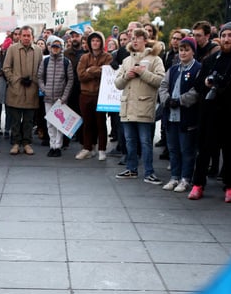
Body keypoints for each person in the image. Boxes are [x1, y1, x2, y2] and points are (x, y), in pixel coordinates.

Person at [189, 22, 231, 203]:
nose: (227, 39)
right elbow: (197, 85)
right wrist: (205, 83)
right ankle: (198, 184)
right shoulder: (211, 60)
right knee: (204, 151)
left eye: (230, 35)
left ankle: (230, 187)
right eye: (224, 35)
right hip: (210, 113)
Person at [113, 28, 165, 184]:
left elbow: (161, 81)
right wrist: (126, 76)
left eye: (138, 38)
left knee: (145, 141)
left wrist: (143, 73)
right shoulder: (127, 60)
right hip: (128, 106)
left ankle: (149, 172)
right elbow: (117, 84)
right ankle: (131, 169)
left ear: (145, 40)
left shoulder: (155, 59)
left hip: (144, 106)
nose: (134, 40)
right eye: (132, 38)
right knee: (129, 140)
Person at [159, 36, 202, 192]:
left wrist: (180, 100)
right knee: (173, 148)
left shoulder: (197, 69)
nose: (183, 53)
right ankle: (174, 177)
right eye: (181, 50)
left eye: (186, 50)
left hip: (187, 117)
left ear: (193, 51)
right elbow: (163, 86)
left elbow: (196, 91)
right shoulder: (173, 69)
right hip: (171, 116)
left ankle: (185, 178)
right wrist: (167, 100)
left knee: (187, 150)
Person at [2, 26, 42, 155]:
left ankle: (27, 143)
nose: (26, 38)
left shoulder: (38, 50)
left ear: (32, 36)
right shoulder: (12, 49)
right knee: (15, 120)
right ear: (19, 36)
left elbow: (41, 69)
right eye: (23, 35)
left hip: (32, 89)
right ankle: (16, 143)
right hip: (16, 90)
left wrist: (35, 80)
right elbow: (6, 68)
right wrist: (14, 80)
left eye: (28, 35)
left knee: (28, 120)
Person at [75, 31, 113, 160]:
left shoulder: (107, 57)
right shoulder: (84, 57)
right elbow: (81, 75)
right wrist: (97, 70)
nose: (95, 43)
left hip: (100, 95)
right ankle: (88, 148)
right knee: (87, 123)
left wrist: (91, 69)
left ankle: (102, 149)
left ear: (101, 42)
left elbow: (107, 72)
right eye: (93, 41)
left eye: (97, 41)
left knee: (101, 123)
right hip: (85, 94)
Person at [37, 36, 75, 157]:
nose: (55, 49)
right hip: (48, 97)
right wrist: (44, 89)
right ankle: (52, 145)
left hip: (60, 99)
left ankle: (58, 146)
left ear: (61, 48)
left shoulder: (66, 62)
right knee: (49, 123)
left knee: (60, 124)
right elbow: (39, 77)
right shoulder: (46, 61)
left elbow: (70, 80)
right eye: (53, 46)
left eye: (58, 47)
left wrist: (64, 97)